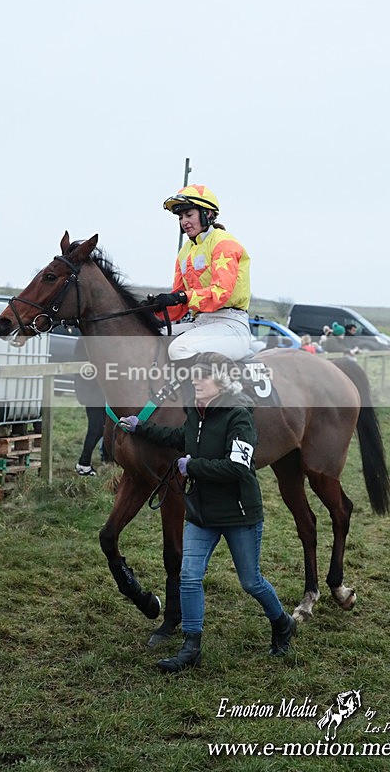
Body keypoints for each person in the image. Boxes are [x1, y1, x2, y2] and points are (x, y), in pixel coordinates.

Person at [119, 352, 296, 673]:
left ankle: (282, 623)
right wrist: (139, 427)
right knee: (189, 577)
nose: (196, 383)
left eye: (203, 378)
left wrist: (193, 466)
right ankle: (191, 647)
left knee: (250, 582)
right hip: (201, 513)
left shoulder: (239, 417)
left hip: (238, 514)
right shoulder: (196, 415)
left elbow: (239, 466)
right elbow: (178, 438)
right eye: (194, 378)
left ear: (220, 384)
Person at [150, 184, 252, 363]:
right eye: (181, 217)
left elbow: (219, 293)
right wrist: (154, 308)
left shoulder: (224, 243)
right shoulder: (185, 251)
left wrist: (181, 297)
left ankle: (202, 391)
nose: (184, 222)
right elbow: (179, 306)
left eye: (189, 215)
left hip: (231, 325)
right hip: (201, 323)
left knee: (179, 348)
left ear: (208, 214)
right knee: (149, 338)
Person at [73, 338, 107, 476]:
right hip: (93, 391)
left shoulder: (88, 340)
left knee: (101, 427)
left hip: (95, 390)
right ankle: (83, 463)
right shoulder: (87, 341)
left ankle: (101, 458)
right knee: (96, 428)